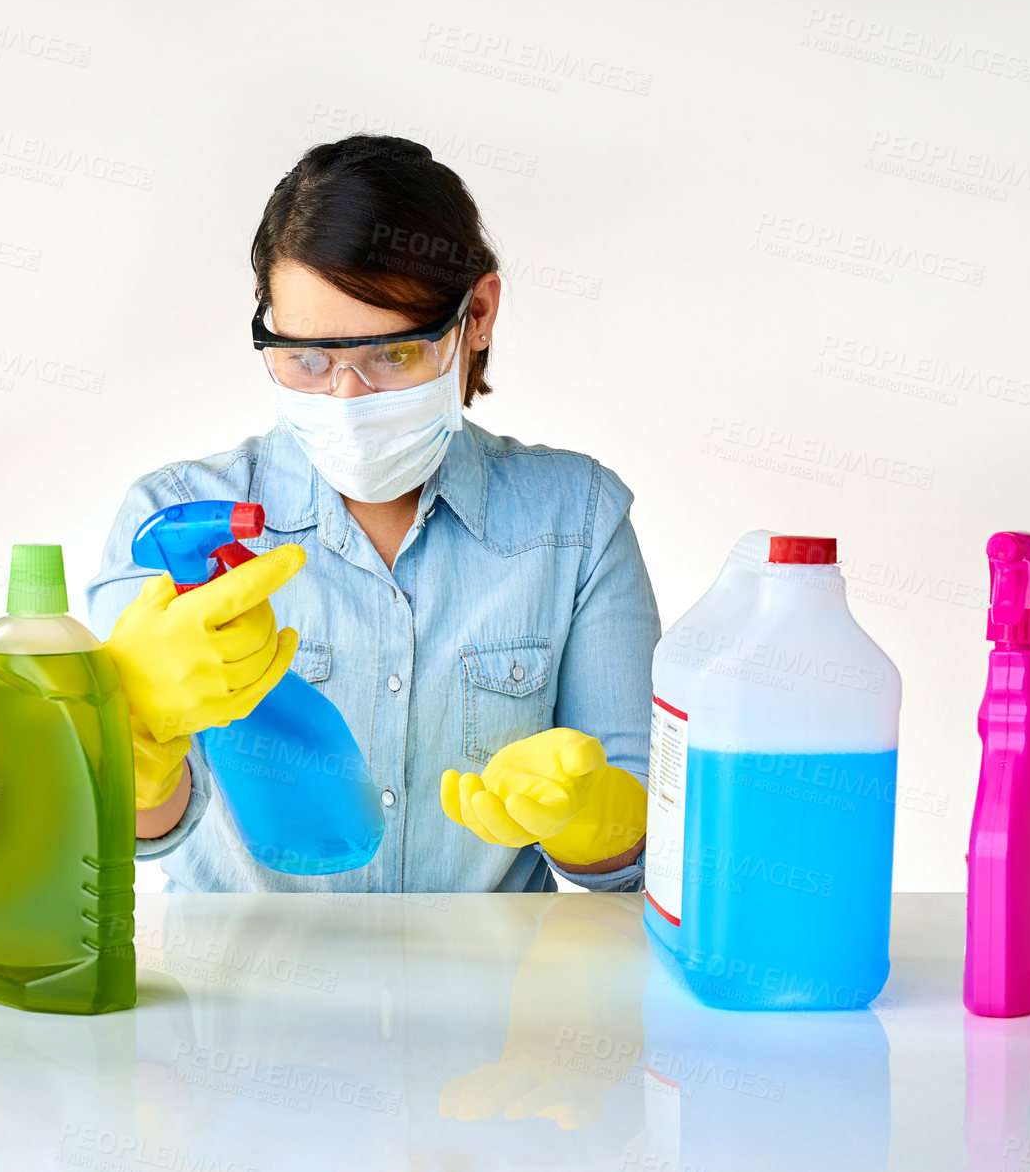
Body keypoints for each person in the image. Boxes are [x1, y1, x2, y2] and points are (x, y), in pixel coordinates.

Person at [87, 135, 659, 893]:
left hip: (488, 1005)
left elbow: (642, 853)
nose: (345, 398)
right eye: (308, 357)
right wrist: (134, 742)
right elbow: (135, 837)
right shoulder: (169, 518)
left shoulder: (578, 523)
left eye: (392, 355)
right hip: (243, 1001)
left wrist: (600, 826)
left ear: (476, 316)